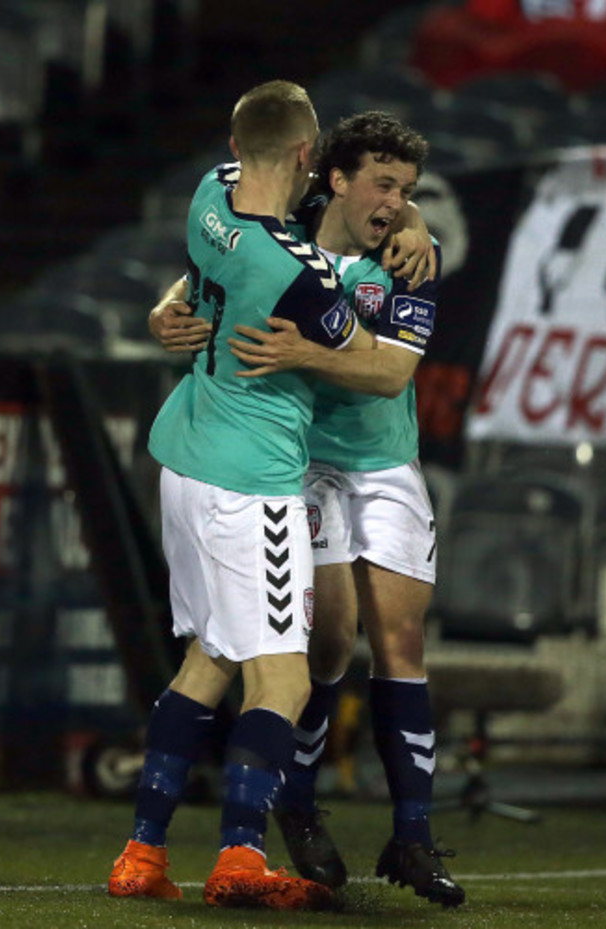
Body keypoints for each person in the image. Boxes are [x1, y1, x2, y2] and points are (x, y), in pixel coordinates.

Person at [146, 111, 465, 909]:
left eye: (407, 190)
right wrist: (164, 307)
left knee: (401, 639)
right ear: (334, 178)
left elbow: (390, 375)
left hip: (385, 462)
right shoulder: (288, 227)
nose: (396, 203)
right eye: (383, 185)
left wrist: (305, 352)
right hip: (304, 464)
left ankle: (414, 834)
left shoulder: (411, 256)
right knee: (325, 639)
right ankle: (296, 805)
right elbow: (213, 270)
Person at [107, 79, 379, 912]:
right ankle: (240, 857)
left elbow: (200, 274)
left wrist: (167, 308)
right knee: (283, 680)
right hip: (249, 482)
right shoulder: (300, 275)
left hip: (184, 458)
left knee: (210, 658)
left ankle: (142, 852)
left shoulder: (208, 196)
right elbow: (369, 364)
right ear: (307, 154)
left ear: (236, 146)